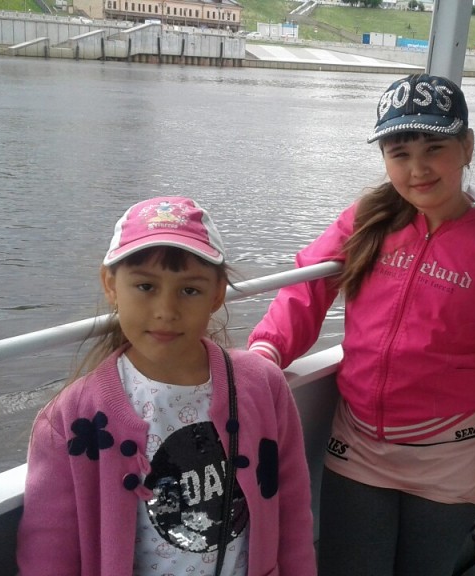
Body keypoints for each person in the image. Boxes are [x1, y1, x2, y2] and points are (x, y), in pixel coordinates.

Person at [247, 74, 475, 576]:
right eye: (400, 153)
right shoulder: (366, 221)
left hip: (451, 461)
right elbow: (306, 289)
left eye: (435, 148)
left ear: (467, 147)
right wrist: (266, 353)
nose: (417, 168)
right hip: (359, 448)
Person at [16, 196, 316, 576]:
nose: (166, 311)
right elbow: (48, 555)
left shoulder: (263, 385)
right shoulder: (70, 420)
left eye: (189, 290)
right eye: (145, 286)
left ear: (217, 294)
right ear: (110, 284)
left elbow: (292, 514)